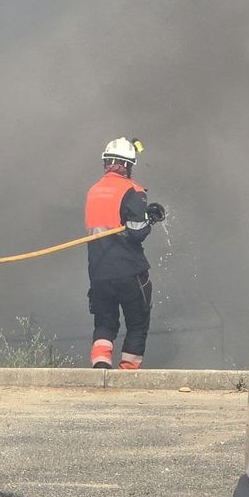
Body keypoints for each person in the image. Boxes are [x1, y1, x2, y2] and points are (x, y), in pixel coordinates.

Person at [84, 137, 166, 369]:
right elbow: (136, 232)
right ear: (129, 165)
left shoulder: (94, 191)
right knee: (137, 323)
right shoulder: (134, 191)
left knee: (104, 323)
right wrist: (151, 218)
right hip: (129, 271)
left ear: (106, 162)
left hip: (99, 272)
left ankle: (100, 370)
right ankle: (127, 374)